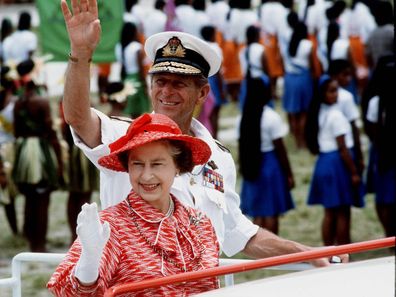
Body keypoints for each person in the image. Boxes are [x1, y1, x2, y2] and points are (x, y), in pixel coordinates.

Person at [60, 0, 347, 266]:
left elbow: (239, 233)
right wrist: (80, 56)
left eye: (179, 84)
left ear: (202, 93)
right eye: (160, 81)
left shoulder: (217, 157)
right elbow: (77, 117)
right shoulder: (124, 136)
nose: (167, 92)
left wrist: (309, 253)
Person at [47, 113, 219, 296]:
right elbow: (67, 292)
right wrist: (89, 262)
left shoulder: (200, 222)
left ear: (178, 166)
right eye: (137, 164)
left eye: (157, 164)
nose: (146, 176)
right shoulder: (109, 225)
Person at [305, 75, 365, 246]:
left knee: (330, 211)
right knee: (343, 212)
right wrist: (354, 172)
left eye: (336, 90)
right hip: (337, 164)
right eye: (331, 91)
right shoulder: (336, 115)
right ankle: (343, 251)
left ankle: (329, 250)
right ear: (323, 94)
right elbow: (343, 148)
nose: (336, 94)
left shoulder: (318, 112)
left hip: (323, 162)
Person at [12, 59, 63, 252]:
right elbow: (51, 132)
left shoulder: (19, 102)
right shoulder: (40, 101)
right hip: (40, 151)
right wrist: (58, 160)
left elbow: (17, 132)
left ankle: (30, 237)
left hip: (23, 150)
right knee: (42, 197)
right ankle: (39, 244)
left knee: (29, 195)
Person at [239, 72, 295, 235]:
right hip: (270, 165)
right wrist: (289, 174)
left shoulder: (244, 117)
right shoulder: (271, 117)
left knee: (258, 212)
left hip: (251, 164)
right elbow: (281, 149)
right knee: (271, 211)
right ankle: (273, 252)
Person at [364, 56, 395, 238]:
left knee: (383, 199)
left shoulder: (376, 102)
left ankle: (389, 234)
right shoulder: (378, 102)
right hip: (385, 153)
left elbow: (373, 131)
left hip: (382, 153)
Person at [115, 22, 150, 118]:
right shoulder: (136, 47)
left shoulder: (119, 46)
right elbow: (140, 67)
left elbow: (122, 65)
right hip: (137, 79)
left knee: (131, 110)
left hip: (126, 77)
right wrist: (145, 84)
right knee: (138, 109)